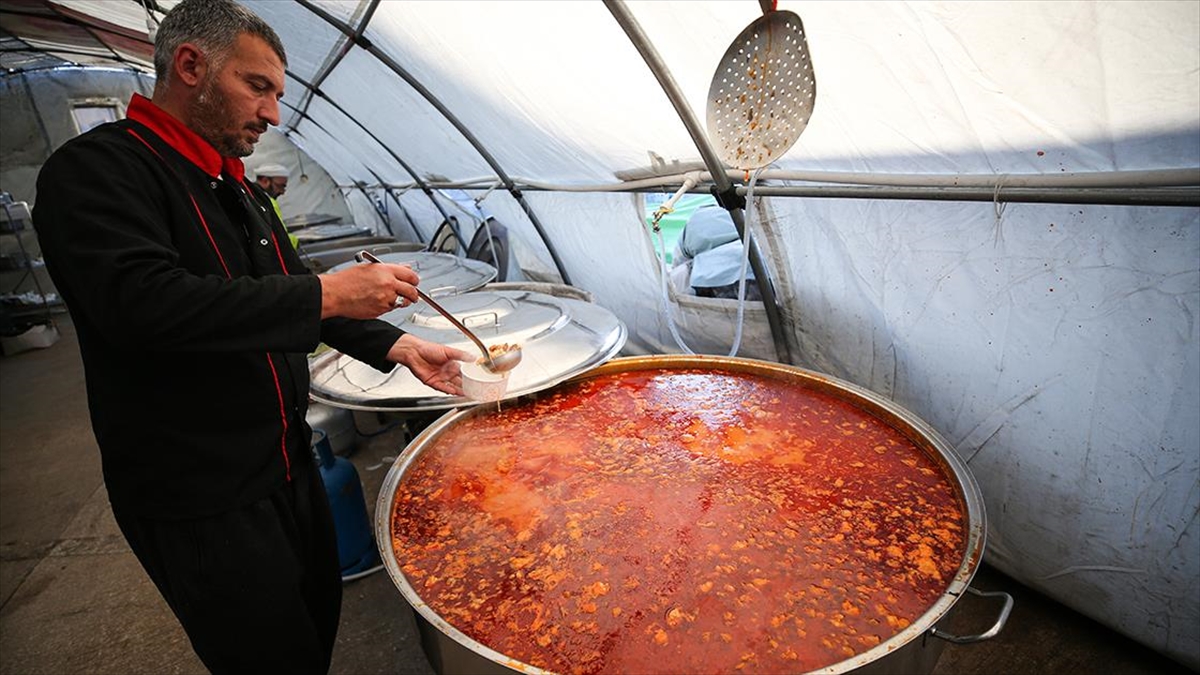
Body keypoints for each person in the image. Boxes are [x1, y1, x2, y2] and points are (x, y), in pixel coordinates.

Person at [31, 1, 470, 673]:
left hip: (288, 462)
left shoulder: (236, 187)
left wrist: (397, 346)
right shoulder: (95, 173)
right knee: (267, 659)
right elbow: (142, 305)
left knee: (314, 628)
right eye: (257, 86)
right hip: (200, 494)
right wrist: (327, 291)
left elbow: (290, 287)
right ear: (190, 65)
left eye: (277, 95)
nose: (272, 114)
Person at [670, 202, 762, 300]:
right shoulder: (744, 221)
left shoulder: (697, 221)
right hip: (756, 274)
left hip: (705, 282)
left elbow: (679, 263)